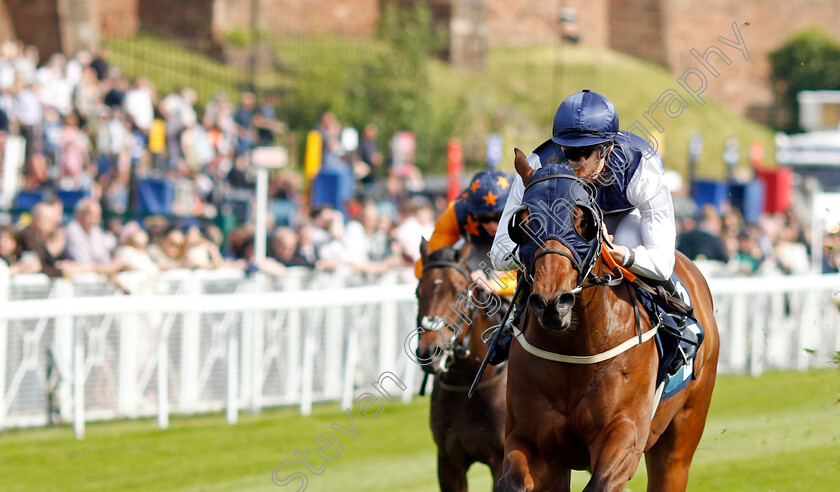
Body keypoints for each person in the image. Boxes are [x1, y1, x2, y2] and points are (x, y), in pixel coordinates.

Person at [491, 90, 695, 367]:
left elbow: (660, 263)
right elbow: (499, 254)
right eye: (567, 152)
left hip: (624, 222)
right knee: (545, 259)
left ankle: (676, 319)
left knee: (626, 237)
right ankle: (515, 320)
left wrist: (617, 252)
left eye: (584, 153)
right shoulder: (538, 164)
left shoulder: (640, 166)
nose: (574, 163)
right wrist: (543, 249)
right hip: (566, 235)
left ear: (607, 149)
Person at [415, 169, 515, 296]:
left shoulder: (527, 212)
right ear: (472, 212)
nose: (492, 225)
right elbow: (424, 267)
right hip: (479, 253)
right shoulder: (454, 214)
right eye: (483, 217)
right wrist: (459, 276)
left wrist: (495, 286)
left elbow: (538, 277)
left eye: (499, 217)